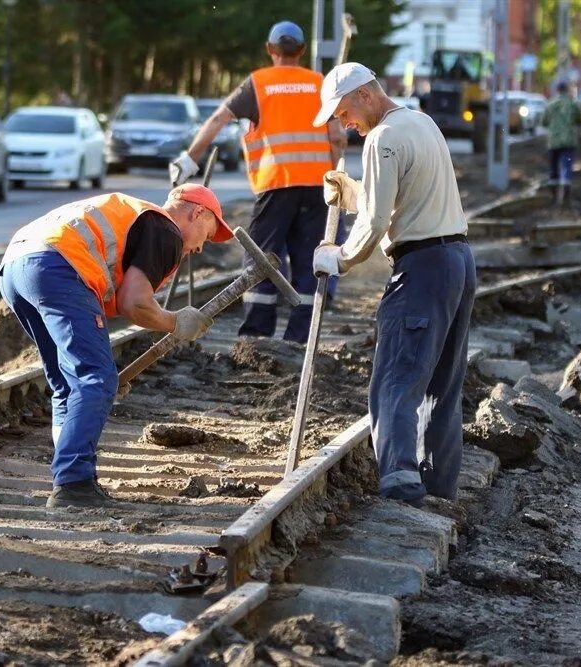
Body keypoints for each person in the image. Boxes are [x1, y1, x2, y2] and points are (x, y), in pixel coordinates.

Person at [0, 184, 234, 508]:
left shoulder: (138, 218)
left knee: (69, 384)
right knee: (95, 378)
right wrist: (176, 322)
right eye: (207, 234)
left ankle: (71, 477)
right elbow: (134, 303)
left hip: (16, 265)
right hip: (57, 265)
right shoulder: (165, 230)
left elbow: (123, 302)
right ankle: (73, 484)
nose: (201, 247)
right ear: (198, 213)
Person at [310, 63, 474, 508]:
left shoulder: (382, 139)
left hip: (421, 268)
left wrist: (338, 257)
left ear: (365, 95)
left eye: (343, 112)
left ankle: (401, 486)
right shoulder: (420, 122)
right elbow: (401, 194)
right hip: (457, 259)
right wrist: (350, 192)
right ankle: (437, 485)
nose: (343, 123)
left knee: (395, 378)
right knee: (441, 383)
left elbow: (377, 221)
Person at [169, 20, 346, 343]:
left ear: (270, 49)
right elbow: (336, 137)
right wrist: (333, 177)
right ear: (302, 51)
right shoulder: (318, 83)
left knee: (261, 258)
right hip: (317, 188)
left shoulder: (258, 83)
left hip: (275, 185)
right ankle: (300, 337)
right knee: (310, 261)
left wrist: (189, 159)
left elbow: (218, 119)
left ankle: (256, 334)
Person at [541, 81, 581, 207]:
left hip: (553, 142)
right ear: (566, 90)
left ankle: (554, 197)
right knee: (566, 167)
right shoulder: (572, 104)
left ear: (557, 90)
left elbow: (543, 122)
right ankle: (565, 197)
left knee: (553, 169)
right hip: (568, 142)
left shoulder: (550, 104)